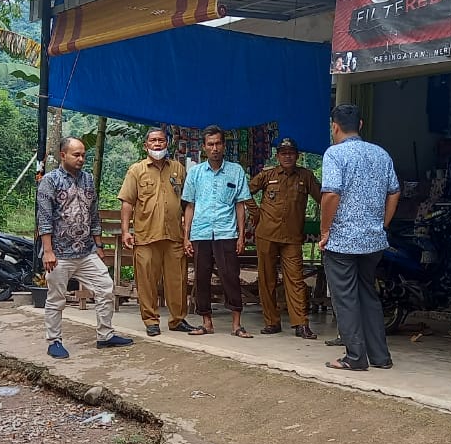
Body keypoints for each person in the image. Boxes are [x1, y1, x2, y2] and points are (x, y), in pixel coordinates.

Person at [319, 104, 400, 371]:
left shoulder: (335, 154)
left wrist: (325, 231)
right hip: (373, 241)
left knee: (345, 298)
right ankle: (380, 356)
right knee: (368, 294)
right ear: (361, 125)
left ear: (335, 126)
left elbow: (331, 194)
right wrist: (382, 224)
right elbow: (395, 192)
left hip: (342, 241)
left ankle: (355, 357)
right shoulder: (381, 154)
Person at [37, 137, 133, 359]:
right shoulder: (49, 181)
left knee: (106, 287)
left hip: (86, 251)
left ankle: (105, 335)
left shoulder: (88, 179)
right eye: (76, 155)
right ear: (63, 155)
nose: (81, 159)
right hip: (59, 254)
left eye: (83, 155)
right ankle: (54, 341)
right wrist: (48, 251)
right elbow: (44, 218)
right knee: (56, 298)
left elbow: (93, 215)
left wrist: (99, 245)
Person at [118, 128, 200, 337]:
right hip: (146, 236)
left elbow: (187, 202)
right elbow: (128, 202)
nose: (157, 144)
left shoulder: (178, 169)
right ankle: (151, 320)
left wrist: (186, 234)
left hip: (174, 235)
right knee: (146, 280)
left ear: (167, 144)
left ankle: (178, 319)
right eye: (153, 141)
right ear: (146, 145)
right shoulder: (136, 170)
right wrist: (126, 231)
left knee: (178, 280)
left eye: (161, 141)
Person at [182, 126, 253, 337]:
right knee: (201, 277)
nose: (214, 148)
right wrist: (186, 237)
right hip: (200, 233)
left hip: (226, 232)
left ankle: (237, 324)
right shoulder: (195, 173)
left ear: (224, 146)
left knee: (230, 276)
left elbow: (241, 205)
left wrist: (241, 235)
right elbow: (190, 206)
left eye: (218, 143)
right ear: (204, 147)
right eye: (210, 144)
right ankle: (206, 322)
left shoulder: (236, 171)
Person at [247, 137, 320, 339]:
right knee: (267, 280)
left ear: (297, 155)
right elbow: (245, 192)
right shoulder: (268, 175)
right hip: (266, 235)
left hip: (292, 238)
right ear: (278, 156)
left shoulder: (305, 176)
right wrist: (256, 214)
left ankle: (301, 324)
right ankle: (271, 322)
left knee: (295, 280)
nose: (287, 156)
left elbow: (323, 198)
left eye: (291, 153)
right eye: (283, 153)